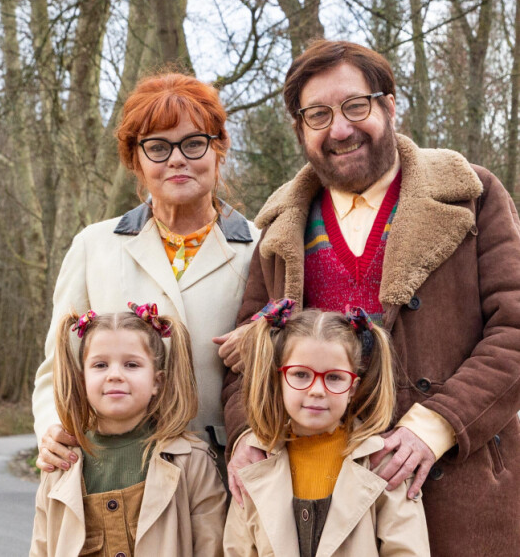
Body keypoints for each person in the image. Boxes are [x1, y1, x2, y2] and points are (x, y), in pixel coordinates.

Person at [220, 39, 520, 556]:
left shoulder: (473, 195)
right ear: (300, 128)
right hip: (321, 506)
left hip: (458, 490)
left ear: (389, 105)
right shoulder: (279, 229)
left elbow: (514, 328)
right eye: (318, 114)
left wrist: (436, 425)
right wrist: (246, 430)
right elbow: (245, 356)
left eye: (355, 106)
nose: (340, 128)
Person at [33, 72, 260, 475]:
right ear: (135, 158)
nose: (177, 159)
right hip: (117, 477)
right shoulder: (94, 246)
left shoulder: (261, 250)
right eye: (157, 147)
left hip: (227, 477)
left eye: (194, 143)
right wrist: (52, 427)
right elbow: (58, 367)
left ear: (218, 149)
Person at [223, 301, 430, 556]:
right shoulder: (254, 466)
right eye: (300, 375)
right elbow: (238, 549)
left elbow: (407, 550)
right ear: (280, 381)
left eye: (334, 377)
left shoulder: (381, 465)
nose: (317, 390)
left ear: (352, 389)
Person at [30, 303, 226, 556]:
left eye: (131, 365)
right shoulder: (61, 464)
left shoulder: (191, 461)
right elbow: (42, 546)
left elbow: (212, 547)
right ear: (83, 381)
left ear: (157, 381)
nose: (115, 375)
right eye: (100, 365)